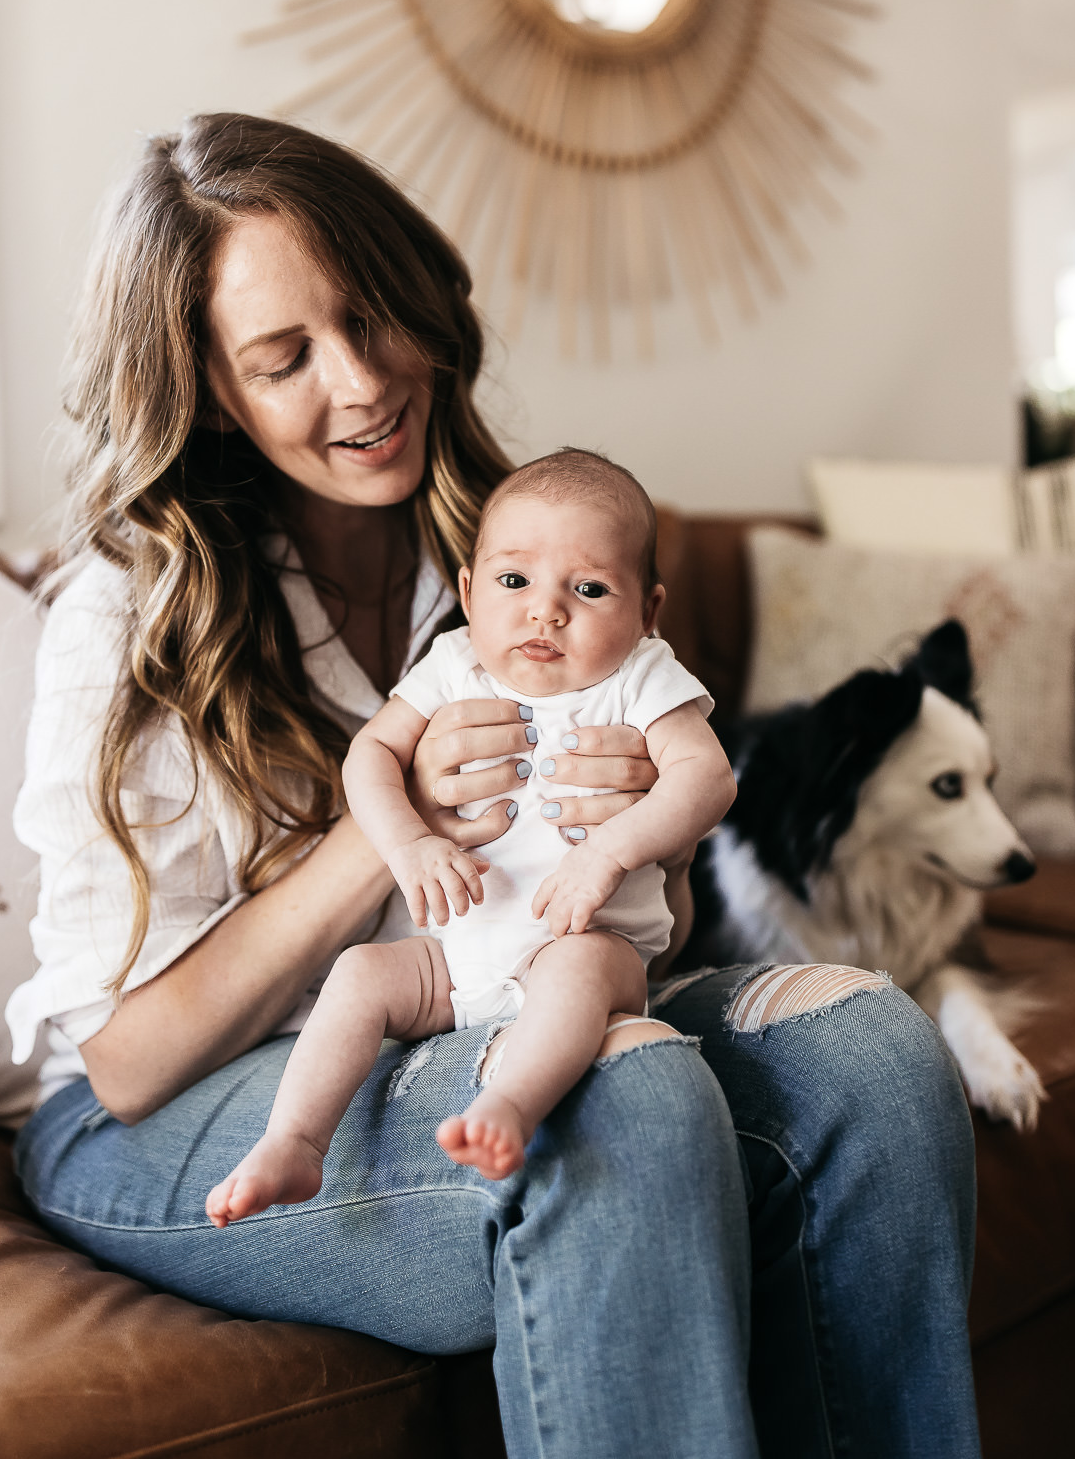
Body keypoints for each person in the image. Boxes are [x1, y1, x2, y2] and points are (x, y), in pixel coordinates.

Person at [6, 113, 982, 1459]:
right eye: (286, 358)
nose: (362, 381)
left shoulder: (521, 550)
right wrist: (387, 828)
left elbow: (627, 937)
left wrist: (631, 840)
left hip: (475, 1000)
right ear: (214, 393)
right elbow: (123, 1062)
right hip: (161, 1113)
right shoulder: (130, 614)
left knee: (876, 1055)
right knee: (622, 1098)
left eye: (369, 314)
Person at [206, 450, 735, 1219]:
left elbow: (708, 777)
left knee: (577, 969)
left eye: (589, 589)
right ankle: (294, 1140)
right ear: (466, 591)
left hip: (584, 943)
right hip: (456, 959)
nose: (545, 611)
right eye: (513, 580)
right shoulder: (453, 663)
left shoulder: (641, 676)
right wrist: (409, 843)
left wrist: (609, 851)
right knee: (360, 973)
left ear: (648, 611)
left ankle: (509, 1106)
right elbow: (372, 754)